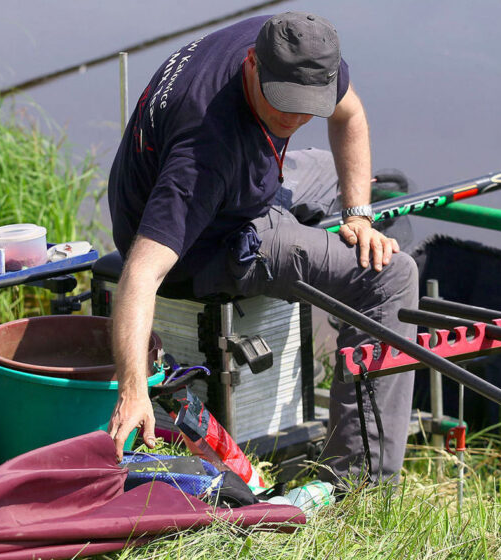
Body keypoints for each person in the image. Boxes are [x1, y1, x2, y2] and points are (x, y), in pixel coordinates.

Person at [106, 11, 418, 486]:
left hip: (233, 174)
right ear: (252, 64)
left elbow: (349, 114)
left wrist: (358, 214)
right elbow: (141, 273)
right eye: (282, 105)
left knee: (356, 179)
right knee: (393, 278)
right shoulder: (204, 153)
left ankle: (344, 314)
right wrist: (133, 391)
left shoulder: (299, 46)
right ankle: (359, 484)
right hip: (206, 243)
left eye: (305, 106)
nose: (293, 118)